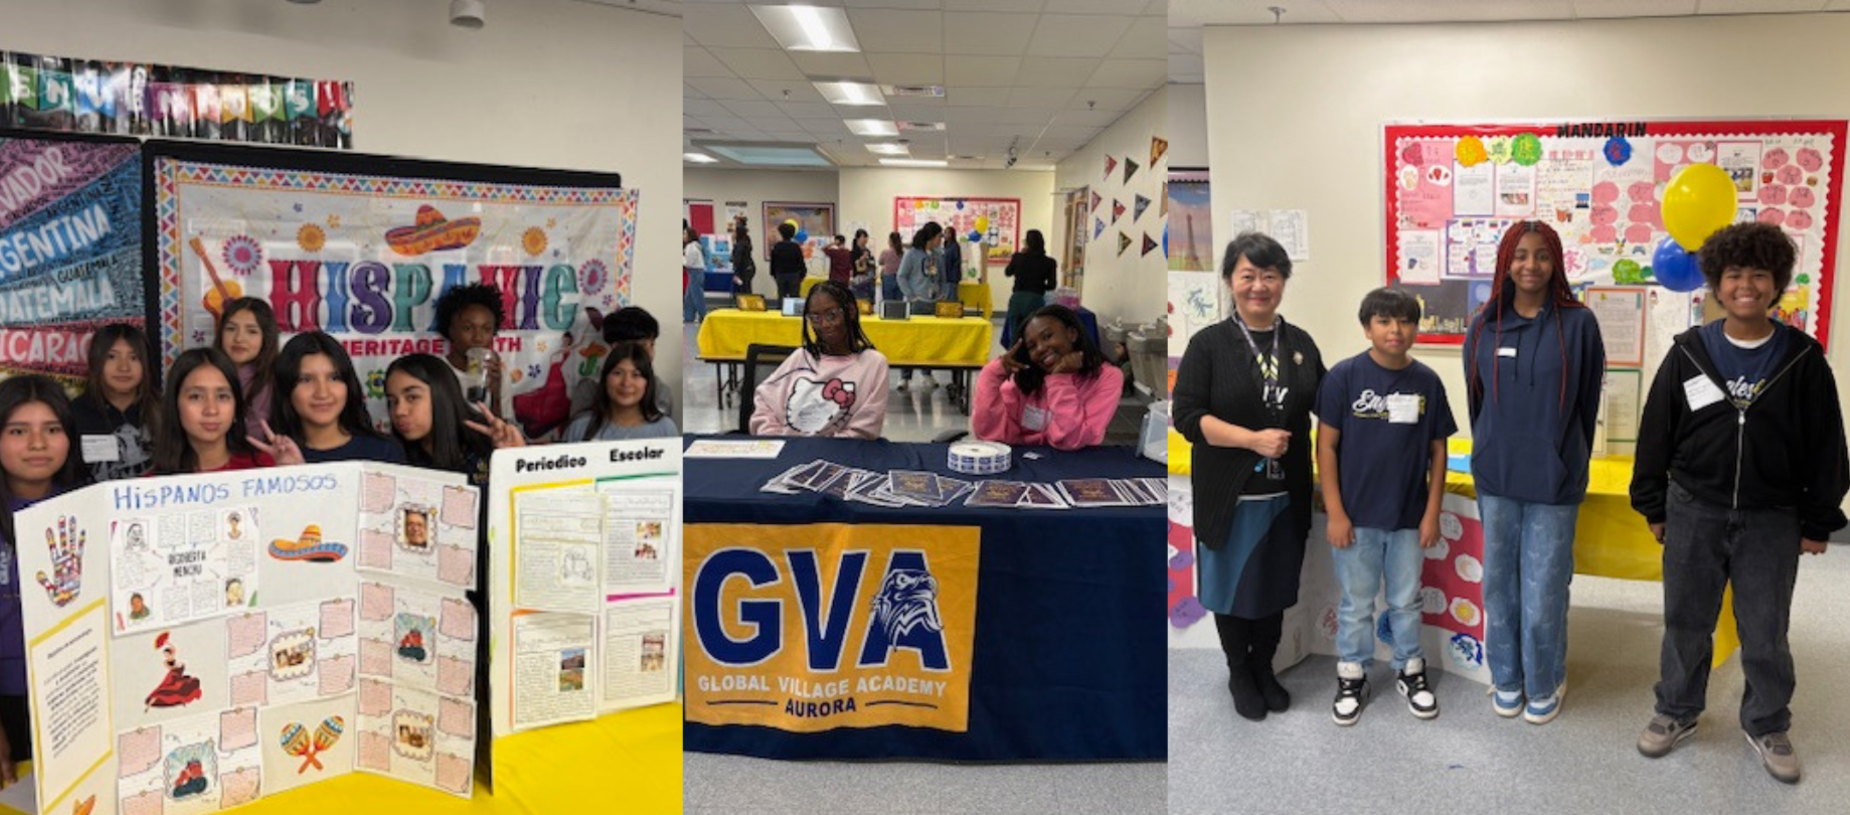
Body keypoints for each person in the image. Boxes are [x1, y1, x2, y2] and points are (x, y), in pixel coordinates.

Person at [1629, 222, 1847, 783]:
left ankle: (1768, 721)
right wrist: (1654, 504)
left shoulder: (1802, 359)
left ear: (1776, 285)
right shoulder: (1690, 354)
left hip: (1772, 517)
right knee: (1686, 620)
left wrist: (1820, 518)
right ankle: (1676, 709)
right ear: (1716, 285)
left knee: (1765, 628)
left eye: (1758, 275)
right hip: (1694, 509)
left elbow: (1827, 443)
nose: (1745, 285)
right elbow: (1657, 431)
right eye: (1733, 274)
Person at [1172, 232, 1325, 722]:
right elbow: (1189, 416)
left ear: (1283, 282)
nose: (1259, 286)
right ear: (1230, 281)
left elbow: (1328, 407)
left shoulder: (1299, 343)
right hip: (1230, 494)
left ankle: (1265, 667)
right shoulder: (1208, 344)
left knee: (1275, 586)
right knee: (1232, 589)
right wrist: (1251, 439)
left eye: (1270, 276)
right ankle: (1240, 670)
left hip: (1286, 491)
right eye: (1248, 275)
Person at [1462, 220, 1604, 725]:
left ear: (1556, 262)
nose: (1530, 265)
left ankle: (1544, 680)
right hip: (1496, 477)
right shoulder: (1483, 324)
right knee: (1498, 584)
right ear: (1505, 261)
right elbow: (1477, 403)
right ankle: (1506, 677)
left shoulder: (1579, 324)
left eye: (1541, 255)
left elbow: (1586, 405)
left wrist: (1568, 460)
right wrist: (1489, 453)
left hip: (1554, 479)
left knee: (1544, 588)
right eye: (1520, 255)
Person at [1314, 288, 1454, 726]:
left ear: (1416, 328)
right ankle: (1352, 673)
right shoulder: (1344, 377)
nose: (1396, 330)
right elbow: (1326, 448)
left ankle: (1410, 668)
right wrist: (1336, 512)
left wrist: (1431, 513)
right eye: (1384, 321)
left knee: (1406, 601)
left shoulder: (1428, 381)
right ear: (1367, 327)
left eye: (1405, 321)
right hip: (1355, 519)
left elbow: (1438, 451)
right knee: (1356, 603)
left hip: (1409, 519)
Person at [0, 375, 92, 779]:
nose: (38, 444)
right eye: (19, 431)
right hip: (8, 700)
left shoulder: (89, 507)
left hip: (75, 694)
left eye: (52, 430)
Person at [750, 280, 889, 439]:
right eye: (815, 318)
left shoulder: (873, 364)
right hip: (789, 450)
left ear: (850, 311)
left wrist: (821, 449)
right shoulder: (801, 358)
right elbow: (765, 401)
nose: (824, 325)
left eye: (832, 315)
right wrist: (776, 439)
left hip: (842, 454)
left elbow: (865, 429)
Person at [972, 304, 1121, 451]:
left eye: (1047, 336)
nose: (1041, 348)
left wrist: (1060, 380)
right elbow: (992, 438)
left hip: (1073, 466)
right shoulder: (1025, 378)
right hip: (1025, 463)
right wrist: (991, 375)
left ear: (1072, 334)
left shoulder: (1107, 377)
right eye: (1032, 346)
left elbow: (1071, 440)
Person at [152, 348, 304, 474]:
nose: (211, 410)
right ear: (175, 404)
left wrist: (292, 477)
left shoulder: (266, 468)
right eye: (196, 397)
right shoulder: (148, 490)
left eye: (222, 396)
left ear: (236, 406)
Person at [385, 354, 524, 489]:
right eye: (392, 401)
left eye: (412, 397)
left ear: (441, 394)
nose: (399, 411)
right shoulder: (394, 457)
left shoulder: (488, 443)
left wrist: (515, 461)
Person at [270, 333, 405, 464]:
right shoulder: (274, 457)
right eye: (306, 380)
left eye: (334, 378)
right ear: (286, 389)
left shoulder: (384, 451)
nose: (322, 393)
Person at [72, 323, 160, 481]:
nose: (124, 367)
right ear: (96, 361)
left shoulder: (163, 410)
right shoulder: (75, 413)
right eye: (111, 357)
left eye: (134, 358)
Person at [566, 342, 679, 441]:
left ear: (648, 382)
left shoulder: (665, 429)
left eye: (636, 375)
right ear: (605, 379)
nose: (626, 383)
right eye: (617, 373)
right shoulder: (579, 428)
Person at [434, 283, 511, 420]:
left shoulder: (497, 374)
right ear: (450, 330)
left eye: (486, 329)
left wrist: (495, 395)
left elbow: (504, 432)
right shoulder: (435, 371)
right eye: (468, 328)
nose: (478, 338)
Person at [214, 298, 280, 428]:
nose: (239, 338)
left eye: (251, 331)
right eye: (231, 329)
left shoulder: (274, 381)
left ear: (266, 338)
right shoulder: (205, 374)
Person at [897, 224, 943, 392]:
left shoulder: (939, 255)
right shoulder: (911, 254)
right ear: (931, 237)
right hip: (915, 304)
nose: (941, 240)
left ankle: (927, 374)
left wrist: (942, 293)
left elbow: (942, 278)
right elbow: (901, 276)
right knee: (911, 340)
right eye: (939, 236)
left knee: (928, 341)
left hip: (933, 304)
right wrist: (911, 296)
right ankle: (904, 377)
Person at [1003, 229, 1059, 342]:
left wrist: (1020, 256)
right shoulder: (1049, 262)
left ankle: (1014, 357)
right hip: (1035, 300)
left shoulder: (1018, 257)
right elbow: (1052, 285)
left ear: (1027, 243)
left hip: (1017, 300)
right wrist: (1038, 285)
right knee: (1035, 336)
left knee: (1015, 336)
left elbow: (1008, 272)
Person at [770, 221, 806, 301]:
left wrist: (773, 273)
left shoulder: (777, 246)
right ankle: (794, 313)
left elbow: (773, 262)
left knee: (781, 296)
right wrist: (803, 274)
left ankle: (780, 312)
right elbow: (800, 261)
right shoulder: (795, 246)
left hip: (780, 274)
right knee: (794, 297)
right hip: (794, 274)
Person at [683, 225, 709, 324]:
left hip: (694, 272)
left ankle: (704, 316)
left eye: (685, 234)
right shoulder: (696, 246)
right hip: (696, 272)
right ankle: (688, 317)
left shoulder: (691, 247)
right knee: (688, 298)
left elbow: (689, 263)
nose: (683, 236)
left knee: (697, 297)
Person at [731, 217, 757, 296]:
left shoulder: (740, 245)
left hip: (744, 268)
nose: (733, 234)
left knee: (744, 290)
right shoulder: (745, 241)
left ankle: (746, 306)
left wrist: (736, 272)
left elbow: (737, 259)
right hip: (749, 267)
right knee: (746, 288)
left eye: (734, 232)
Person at [849, 229, 875, 303]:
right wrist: (862, 259)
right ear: (858, 238)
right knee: (860, 302)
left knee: (869, 302)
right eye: (863, 237)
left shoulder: (867, 251)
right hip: (858, 281)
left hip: (869, 280)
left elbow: (871, 263)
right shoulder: (853, 252)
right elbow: (853, 265)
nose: (865, 239)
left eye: (866, 237)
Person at [879, 231, 904, 304]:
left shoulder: (885, 252)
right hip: (900, 279)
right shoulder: (902, 253)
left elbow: (880, 262)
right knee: (899, 303)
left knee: (888, 303)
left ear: (890, 241)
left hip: (888, 278)